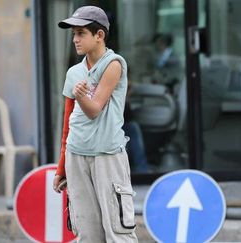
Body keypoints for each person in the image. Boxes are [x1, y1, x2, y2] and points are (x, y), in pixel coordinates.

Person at [52, 6, 138, 242]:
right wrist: (61, 168)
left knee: (118, 231)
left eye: (81, 33)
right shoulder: (73, 72)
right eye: (73, 34)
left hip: (107, 155)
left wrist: (81, 96)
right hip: (76, 155)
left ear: (99, 35)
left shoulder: (114, 64)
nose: (75, 39)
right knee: (86, 232)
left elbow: (93, 110)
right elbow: (67, 124)